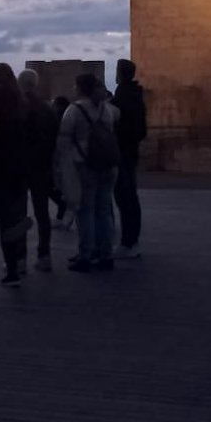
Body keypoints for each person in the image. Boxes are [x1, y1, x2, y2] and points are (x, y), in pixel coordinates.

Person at [59, 73, 120, 273]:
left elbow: (64, 141)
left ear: (79, 87)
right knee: (104, 210)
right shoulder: (107, 110)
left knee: (85, 211)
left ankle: (86, 253)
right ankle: (106, 253)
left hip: (85, 165)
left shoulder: (74, 110)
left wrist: (62, 169)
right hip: (108, 164)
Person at [0, 63, 31, 287]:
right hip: (20, 166)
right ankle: (19, 259)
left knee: (3, 218)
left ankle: (11, 269)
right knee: (16, 213)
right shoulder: (23, 103)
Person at [18, 69, 58, 272]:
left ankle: (20, 258)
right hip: (42, 166)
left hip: (21, 167)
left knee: (19, 214)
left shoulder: (16, 108)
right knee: (42, 214)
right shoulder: (47, 108)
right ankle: (44, 255)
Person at [112, 59, 148, 259]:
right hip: (131, 151)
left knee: (124, 198)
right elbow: (142, 129)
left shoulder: (122, 97)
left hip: (122, 153)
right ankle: (132, 240)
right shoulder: (137, 96)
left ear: (120, 73)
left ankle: (128, 241)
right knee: (131, 197)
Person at [50, 95, 73, 229]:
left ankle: (65, 208)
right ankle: (62, 213)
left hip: (60, 157)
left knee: (55, 186)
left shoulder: (59, 119)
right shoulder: (66, 117)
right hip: (66, 156)